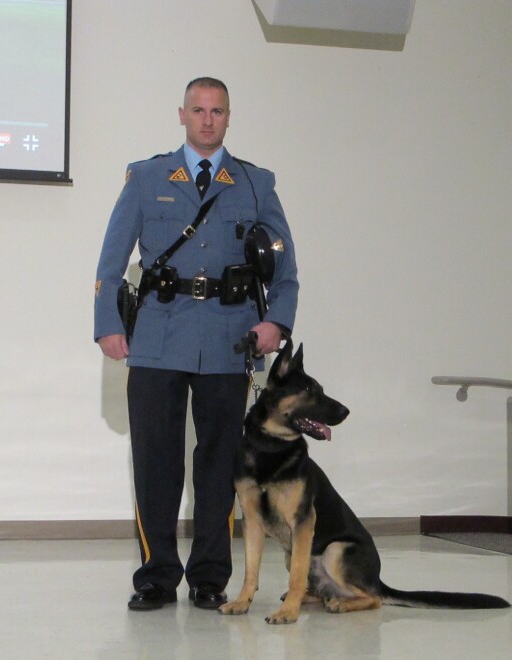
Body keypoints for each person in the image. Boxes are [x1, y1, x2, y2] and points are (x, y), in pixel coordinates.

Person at [93, 77, 299, 611]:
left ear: (229, 117)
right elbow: (112, 261)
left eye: (217, 111)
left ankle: (210, 578)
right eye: (198, 110)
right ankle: (156, 578)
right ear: (181, 115)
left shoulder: (255, 183)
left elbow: (285, 268)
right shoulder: (146, 177)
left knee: (218, 465)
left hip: (230, 339)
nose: (207, 120)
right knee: (156, 462)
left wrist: (276, 322)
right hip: (159, 334)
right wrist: (107, 324)